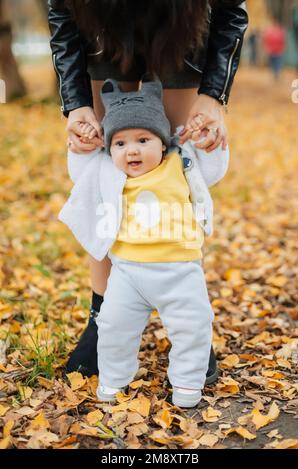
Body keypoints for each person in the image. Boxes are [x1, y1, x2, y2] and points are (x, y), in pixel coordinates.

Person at [48, 0, 248, 381]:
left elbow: (231, 13)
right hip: (102, 23)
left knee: (178, 160)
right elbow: (62, 16)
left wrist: (213, 95)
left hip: (181, 23)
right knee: (104, 161)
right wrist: (75, 106)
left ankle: (187, 314)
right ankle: (102, 314)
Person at [58, 77, 230, 407]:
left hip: (180, 272)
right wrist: (81, 145)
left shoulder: (181, 163)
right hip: (126, 273)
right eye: (120, 144)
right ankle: (112, 381)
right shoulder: (108, 171)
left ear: (162, 142)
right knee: (113, 328)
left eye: (142, 139)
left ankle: (188, 385)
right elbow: (80, 171)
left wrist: (209, 138)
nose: (131, 149)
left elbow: (215, 166)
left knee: (193, 327)